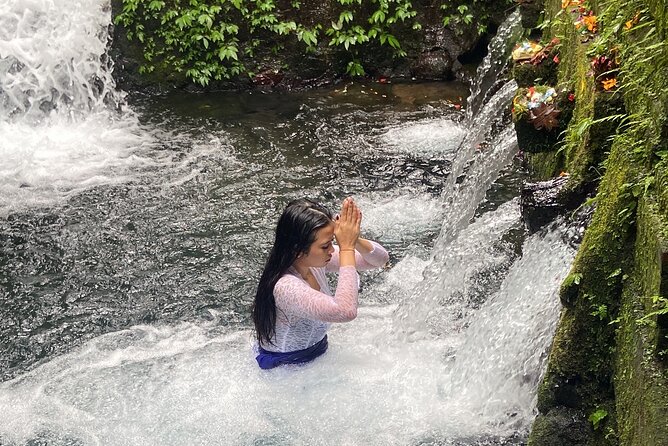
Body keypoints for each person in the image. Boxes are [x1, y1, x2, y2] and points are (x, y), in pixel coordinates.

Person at [251, 197, 389, 369]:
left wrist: (353, 240)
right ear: (298, 250)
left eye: (333, 241)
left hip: (316, 361)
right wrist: (346, 248)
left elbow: (380, 260)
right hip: (284, 373)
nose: (332, 250)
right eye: (325, 246)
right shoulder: (285, 287)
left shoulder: (313, 260)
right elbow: (345, 311)